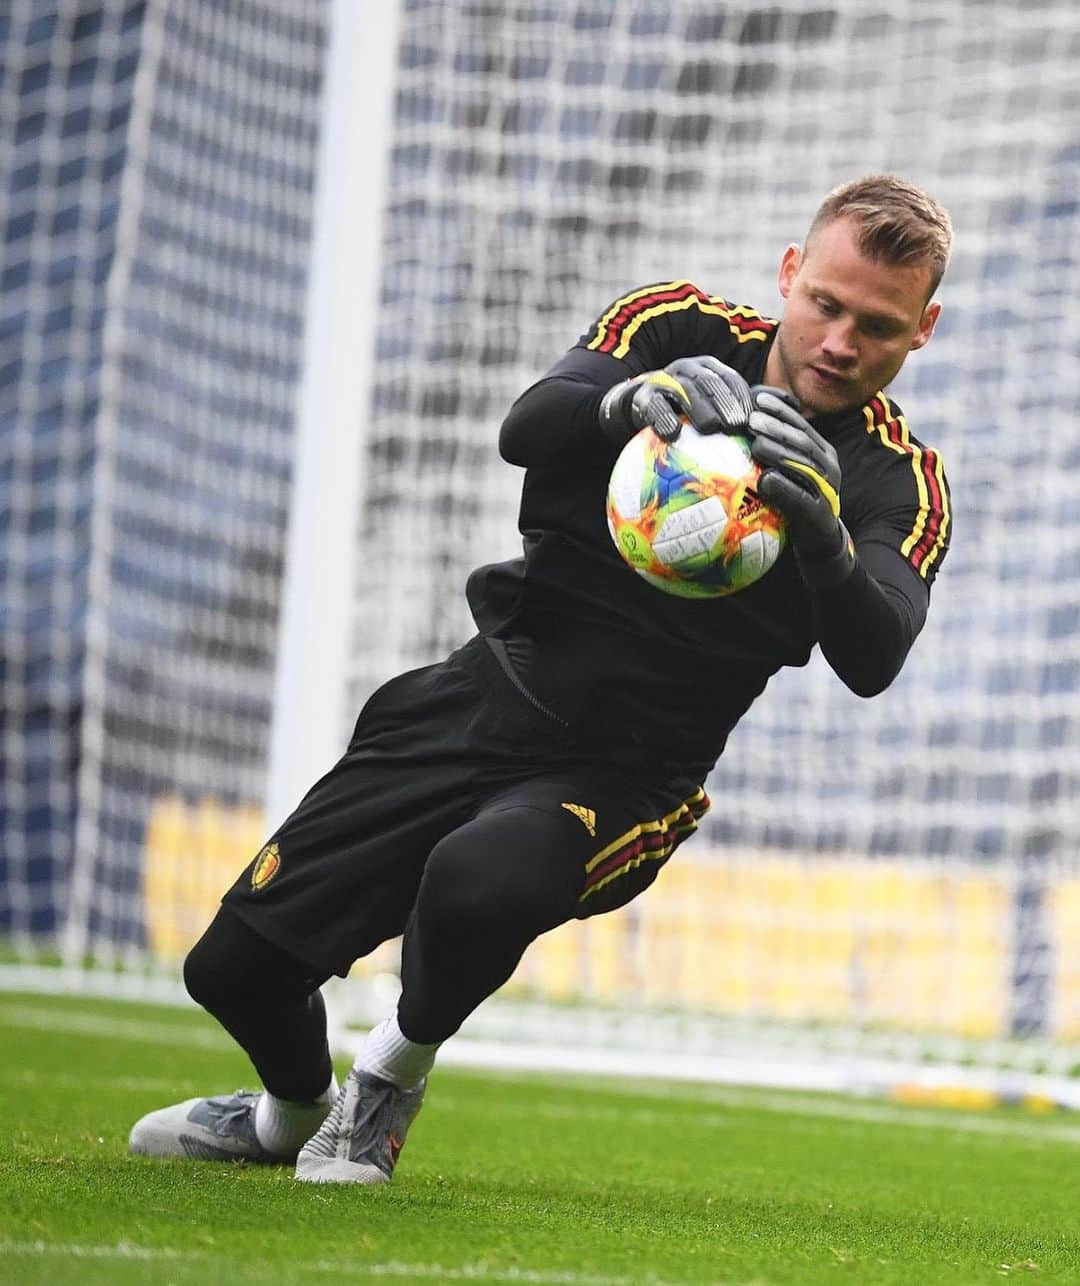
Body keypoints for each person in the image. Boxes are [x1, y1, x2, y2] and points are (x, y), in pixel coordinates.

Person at [129, 174, 953, 1183]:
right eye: (826, 304)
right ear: (791, 273)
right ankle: (288, 1113)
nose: (839, 341)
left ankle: (390, 1076)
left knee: (479, 879)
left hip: (625, 773)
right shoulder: (673, 326)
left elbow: (876, 653)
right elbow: (529, 425)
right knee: (232, 969)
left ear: (922, 328)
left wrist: (823, 537)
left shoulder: (899, 476)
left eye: (876, 324)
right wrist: (623, 403)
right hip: (486, 691)